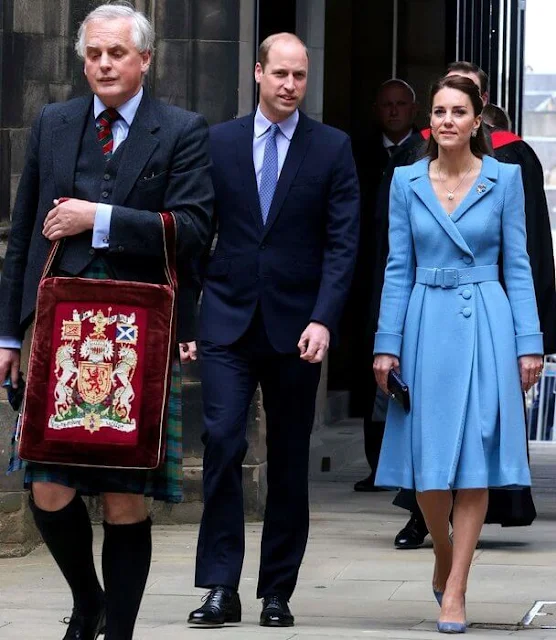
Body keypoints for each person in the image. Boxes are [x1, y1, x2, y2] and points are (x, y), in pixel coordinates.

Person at [0, 4, 213, 639]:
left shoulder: (180, 129)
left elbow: (196, 229)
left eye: (116, 53)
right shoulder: (54, 122)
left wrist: (99, 218)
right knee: (48, 489)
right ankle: (88, 600)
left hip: (139, 336)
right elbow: (23, 241)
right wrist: (9, 334)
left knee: (125, 498)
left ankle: (117, 630)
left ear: (145, 59)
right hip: (55, 329)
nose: (103, 64)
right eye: (93, 54)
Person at [187, 33, 360, 628]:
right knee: (223, 444)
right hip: (227, 322)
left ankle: (276, 591)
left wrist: (324, 318)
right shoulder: (219, 142)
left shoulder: (332, 148)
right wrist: (190, 315)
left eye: (300, 76)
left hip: (297, 329)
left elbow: (343, 243)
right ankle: (219, 586)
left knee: (288, 458)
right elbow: (194, 232)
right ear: (258, 72)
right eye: (280, 73)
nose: (290, 85)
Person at [373, 74, 543, 633]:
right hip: (424, 321)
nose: (447, 120)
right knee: (427, 470)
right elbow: (397, 268)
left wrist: (529, 345)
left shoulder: (505, 178)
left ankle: (458, 588)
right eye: (439, 111)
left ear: (477, 121)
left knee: (473, 462)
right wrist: (385, 345)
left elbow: (517, 265)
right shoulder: (405, 181)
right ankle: (442, 549)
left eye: (458, 111)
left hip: (486, 323)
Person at [351, 79, 419, 492]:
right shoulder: (360, 152)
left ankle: (406, 466)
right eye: (387, 105)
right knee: (370, 370)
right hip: (368, 274)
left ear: (414, 109)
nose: (394, 111)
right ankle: (376, 464)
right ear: (377, 108)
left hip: (413, 277)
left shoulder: (423, 154)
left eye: (401, 105)